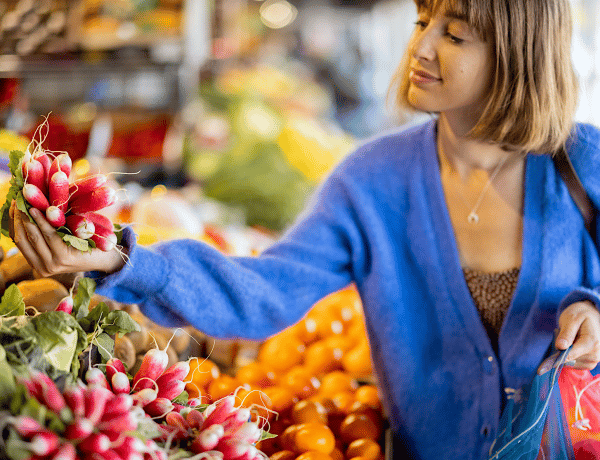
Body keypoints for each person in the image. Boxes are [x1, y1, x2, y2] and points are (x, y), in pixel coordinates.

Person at [9, 0, 600, 458]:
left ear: (518, 51)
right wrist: (121, 260)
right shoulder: (374, 182)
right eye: (422, 21)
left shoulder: (584, 163)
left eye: (455, 34)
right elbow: (262, 291)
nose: (420, 46)